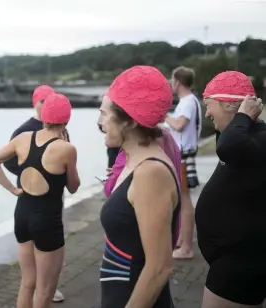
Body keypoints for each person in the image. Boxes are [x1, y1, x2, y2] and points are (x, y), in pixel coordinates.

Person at [0, 93, 80, 308]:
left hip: (23, 216)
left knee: (28, 283)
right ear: (66, 120)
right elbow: (73, 187)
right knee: (45, 292)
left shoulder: (22, 138)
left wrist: (13, 189)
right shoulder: (66, 149)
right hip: (48, 222)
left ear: (43, 116)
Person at [97, 66, 180, 308]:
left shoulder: (150, 173)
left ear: (130, 121)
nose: (100, 123)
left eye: (104, 114)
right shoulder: (133, 162)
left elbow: (159, 268)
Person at [195, 71, 266, 307]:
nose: (206, 113)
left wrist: (243, 115)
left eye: (209, 106)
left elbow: (229, 146)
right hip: (232, 259)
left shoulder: (258, 138)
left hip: (242, 262)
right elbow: (226, 141)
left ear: (228, 105)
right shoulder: (242, 136)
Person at [3, 84, 67, 303]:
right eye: (44, 102)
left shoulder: (60, 128)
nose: (48, 106)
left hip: (51, 201)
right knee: (33, 277)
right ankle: (46, 288)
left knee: (38, 270)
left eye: (51, 101)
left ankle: (48, 285)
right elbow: (9, 161)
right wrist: (30, 174)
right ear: (35, 103)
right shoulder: (24, 130)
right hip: (31, 200)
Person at [163, 66, 202, 260]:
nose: (171, 83)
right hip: (183, 156)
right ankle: (180, 240)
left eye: (172, 79)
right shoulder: (189, 101)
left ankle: (186, 247)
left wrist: (163, 115)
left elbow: (179, 125)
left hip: (184, 157)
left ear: (178, 82)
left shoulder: (187, 102)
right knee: (181, 199)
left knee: (185, 202)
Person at [103, 129, 182, 199]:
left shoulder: (137, 154)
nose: (101, 122)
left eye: (104, 113)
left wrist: (114, 179)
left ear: (128, 123)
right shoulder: (164, 135)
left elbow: (112, 192)